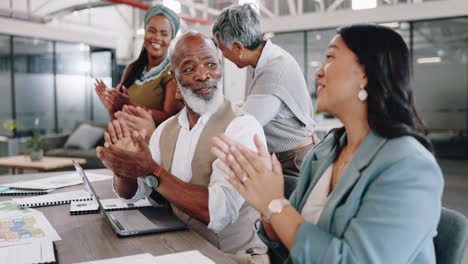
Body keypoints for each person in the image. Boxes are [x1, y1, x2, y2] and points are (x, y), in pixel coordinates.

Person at [211, 24, 444, 263]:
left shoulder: (410, 166)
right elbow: (285, 249)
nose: (318, 72)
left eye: (331, 57)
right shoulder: (326, 150)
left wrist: (275, 203)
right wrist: (263, 201)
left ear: (365, 73)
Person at [97, 31, 269, 264]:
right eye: (188, 69)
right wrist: (124, 169)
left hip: (232, 256)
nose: (202, 75)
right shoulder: (166, 130)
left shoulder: (243, 127)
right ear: (174, 77)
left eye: (210, 64)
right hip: (179, 249)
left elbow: (218, 213)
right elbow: (134, 194)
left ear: (220, 68)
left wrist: (153, 171)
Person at [212, 4, 317, 177]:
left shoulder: (274, 70)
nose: (223, 55)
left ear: (238, 47)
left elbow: (246, 122)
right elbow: (249, 105)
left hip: (294, 159)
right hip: (280, 156)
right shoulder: (259, 61)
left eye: (222, 49)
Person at [94, 4, 183, 141]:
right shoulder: (131, 69)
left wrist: (130, 105)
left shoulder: (172, 73)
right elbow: (119, 118)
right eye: (152, 31)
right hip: (128, 144)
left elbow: (170, 119)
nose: (157, 37)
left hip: (154, 147)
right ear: (145, 32)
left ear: (171, 39)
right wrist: (112, 107)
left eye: (164, 33)